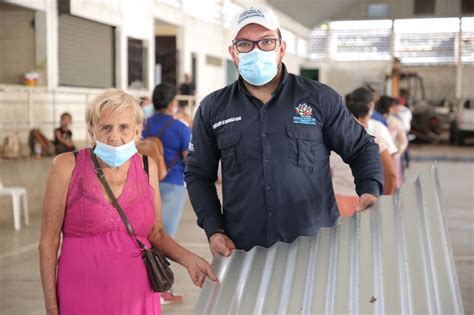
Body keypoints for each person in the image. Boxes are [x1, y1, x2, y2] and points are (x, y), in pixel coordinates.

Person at [185, 6, 384, 256]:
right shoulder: (213, 108)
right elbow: (198, 174)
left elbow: (361, 147)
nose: (256, 50)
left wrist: (369, 189)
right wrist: (214, 229)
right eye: (245, 44)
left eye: (266, 41)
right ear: (233, 53)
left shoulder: (319, 99)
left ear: (281, 48)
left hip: (315, 247)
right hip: (244, 250)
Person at [39, 89, 216, 314]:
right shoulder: (66, 166)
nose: (114, 137)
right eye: (105, 127)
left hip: (138, 295)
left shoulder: (147, 166)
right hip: (81, 294)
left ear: (137, 130)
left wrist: (189, 259)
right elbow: (48, 240)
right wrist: (51, 307)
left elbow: (157, 233)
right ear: (91, 129)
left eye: (123, 127)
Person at [142, 83, 191, 303]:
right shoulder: (181, 128)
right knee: (164, 237)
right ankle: (159, 290)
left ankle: (147, 286)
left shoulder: (144, 124)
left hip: (144, 184)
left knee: (144, 236)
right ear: (172, 103)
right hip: (172, 185)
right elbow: (189, 157)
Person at [331, 88, 397, 216]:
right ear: (370, 107)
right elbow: (391, 175)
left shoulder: (332, 133)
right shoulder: (377, 132)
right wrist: (386, 203)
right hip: (368, 200)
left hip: (337, 200)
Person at [376, 96, 408, 188]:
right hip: (392, 155)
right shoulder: (395, 121)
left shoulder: (372, 120)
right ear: (390, 108)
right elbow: (403, 140)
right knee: (393, 182)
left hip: (376, 155)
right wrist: (399, 152)